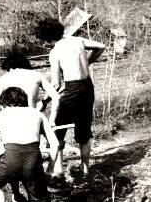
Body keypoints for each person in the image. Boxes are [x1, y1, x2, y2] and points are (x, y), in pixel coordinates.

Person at [0, 50, 61, 202]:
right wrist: (52, 119)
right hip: (32, 123)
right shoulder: (36, 75)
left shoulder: (5, 78)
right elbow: (56, 96)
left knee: (9, 157)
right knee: (30, 164)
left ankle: (16, 195)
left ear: (10, 66)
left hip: (10, 126)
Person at [36, 18, 105, 180]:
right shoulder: (78, 40)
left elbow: (56, 84)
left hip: (72, 89)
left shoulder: (55, 52)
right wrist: (87, 62)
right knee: (84, 131)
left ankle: (57, 172)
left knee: (56, 130)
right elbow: (101, 47)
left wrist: (45, 101)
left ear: (47, 39)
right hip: (87, 87)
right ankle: (85, 170)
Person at [0, 87, 59, 202]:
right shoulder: (38, 114)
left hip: (11, 158)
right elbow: (55, 144)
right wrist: (50, 169)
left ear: (5, 104)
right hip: (33, 159)